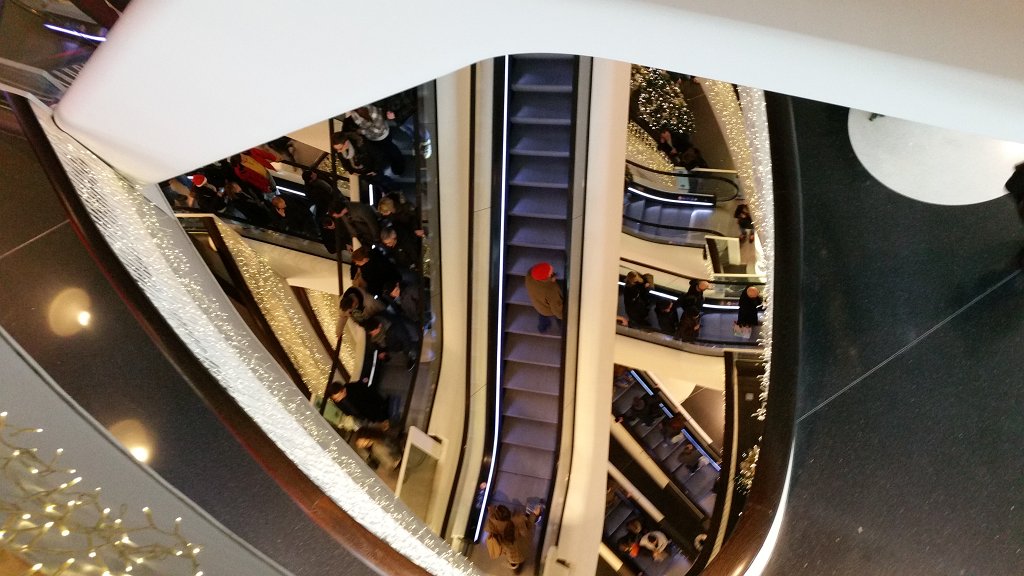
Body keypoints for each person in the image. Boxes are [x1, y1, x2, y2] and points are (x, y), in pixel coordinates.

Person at [485, 504, 535, 572]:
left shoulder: (494, 527)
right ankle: (517, 565)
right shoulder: (518, 523)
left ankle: (514, 566)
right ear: (508, 514)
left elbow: (491, 522)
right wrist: (534, 515)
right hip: (522, 553)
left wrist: (491, 511)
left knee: (511, 553)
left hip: (510, 556)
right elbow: (528, 530)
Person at [324, 380, 390, 428]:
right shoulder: (338, 402)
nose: (338, 400)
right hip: (362, 417)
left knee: (385, 422)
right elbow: (347, 412)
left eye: (338, 397)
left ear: (343, 390)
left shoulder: (354, 388)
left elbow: (371, 395)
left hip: (375, 408)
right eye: (335, 399)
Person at [525, 262, 563, 333]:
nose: (554, 272)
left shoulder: (529, 274)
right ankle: (562, 330)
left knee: (542, 315)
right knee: (558, 319)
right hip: (547, 309)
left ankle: (542, 328)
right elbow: (558, 312)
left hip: (538, 303)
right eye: (552, 273)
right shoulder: (551, 290)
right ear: (547, 278)